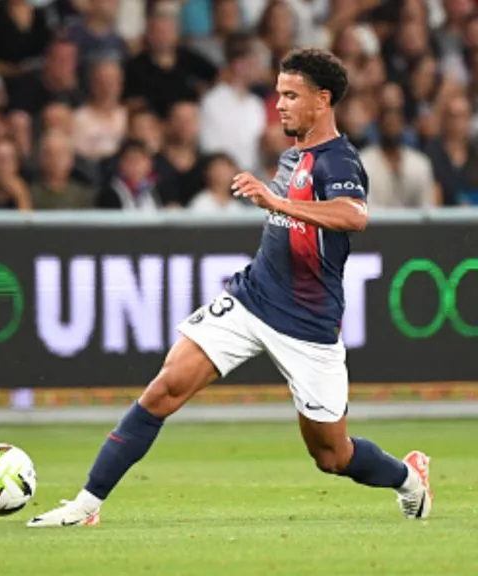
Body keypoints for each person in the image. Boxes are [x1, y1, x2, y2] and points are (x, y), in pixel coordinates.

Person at [26, 48, 432, 528]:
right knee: (164, 388)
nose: (278, 105)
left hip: (308, 324)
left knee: (331, 455)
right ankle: (85, 505)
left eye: (290, 95)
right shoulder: (292, 155)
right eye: (278, 94)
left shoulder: (338, 161)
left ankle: (408, 479)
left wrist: (277, 202)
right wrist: (277, 204)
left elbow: (354, 216)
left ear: (323, 100)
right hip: (250, 299)